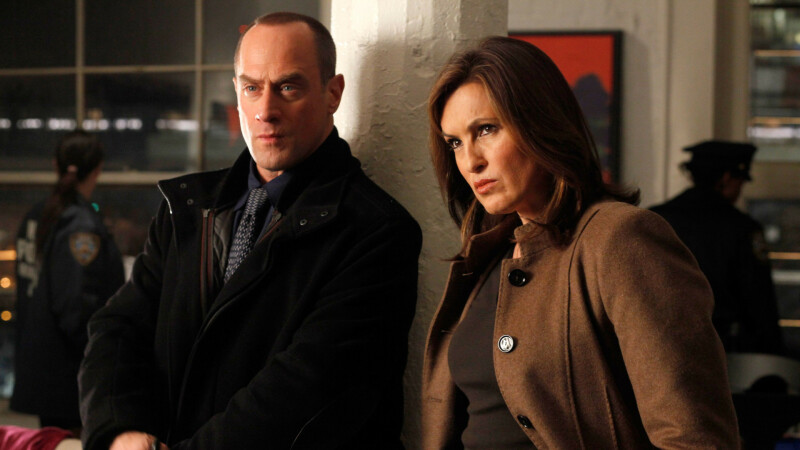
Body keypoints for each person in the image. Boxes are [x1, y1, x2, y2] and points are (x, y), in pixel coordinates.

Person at [78, 12, 421, 450]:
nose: (265, 111)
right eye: (252, 87)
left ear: (332, 94)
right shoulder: (186, 208)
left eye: (288, 87)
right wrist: (119, 432)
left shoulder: (376, 231)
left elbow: (307, 392)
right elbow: (119, 328)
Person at [422, 36, 739, 448]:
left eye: (486, 129)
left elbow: (695, 437)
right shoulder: (486, 255)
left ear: (541, 122)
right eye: (455, 142)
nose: (470, 161)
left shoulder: (621, 238)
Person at [13, 130, 125, 433]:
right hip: (69, 375)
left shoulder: (39, 215)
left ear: (56, 164)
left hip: (42, 367)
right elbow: (76, 307)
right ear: (97, 169)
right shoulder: (80, 225)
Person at [650, 140, 784, 355]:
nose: (740, 189)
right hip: (724, 352)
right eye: (741, 181)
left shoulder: (655, 219)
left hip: (659, 345)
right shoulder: (742, 228)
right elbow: (760, 302)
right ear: (727, 178)